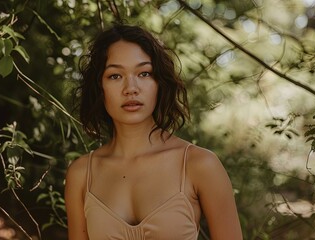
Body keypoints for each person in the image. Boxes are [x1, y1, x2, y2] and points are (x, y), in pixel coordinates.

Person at [65, 24, 243, 240]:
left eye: (144, 73)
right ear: (99, 87)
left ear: (159, 83)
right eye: (115, 76)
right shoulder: (81, 174)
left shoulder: (200, 165)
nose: (131, 88)